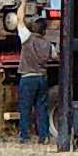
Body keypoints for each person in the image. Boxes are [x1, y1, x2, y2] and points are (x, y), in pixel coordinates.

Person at [16, 12, 57, 144]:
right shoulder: (48, 45)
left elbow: (19, 19)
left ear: (32, 28)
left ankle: (24, 136)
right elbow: (55, 57)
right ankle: (44, 136)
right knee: (41, 108)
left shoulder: (26, 38)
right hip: (42, 77)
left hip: (28, 78)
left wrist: (23, 2)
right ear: (44, 31)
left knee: (25, 108)